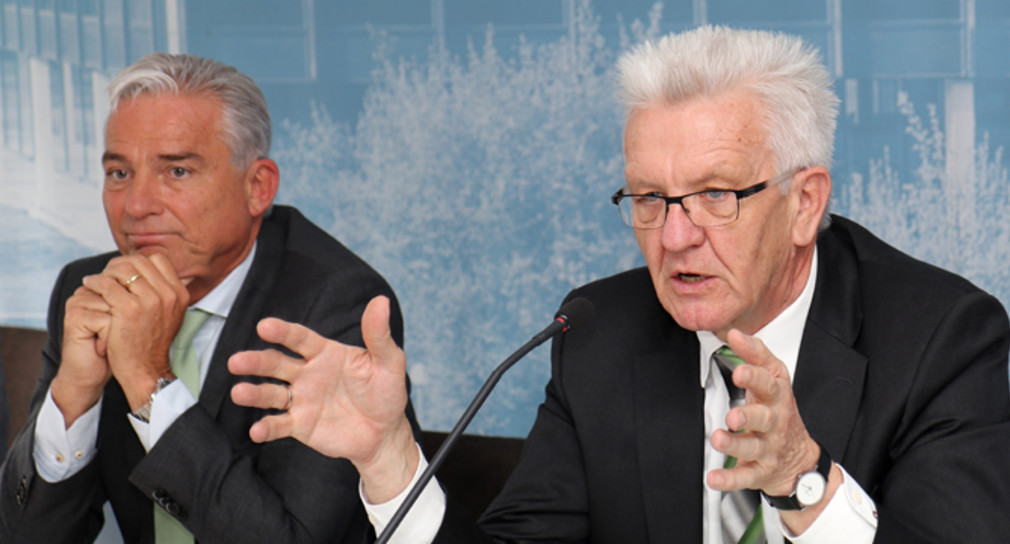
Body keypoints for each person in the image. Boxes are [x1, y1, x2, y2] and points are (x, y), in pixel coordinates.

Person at [227, 26, 1010, 543]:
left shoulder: (941, 337)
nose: (673, 238)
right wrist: (391, 459)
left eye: (715, 196)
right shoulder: (601, 330)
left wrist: (804, 480)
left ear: (805, 203)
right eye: (649, 199)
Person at [0, 52, 418, 543]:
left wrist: (149, 384)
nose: (136, 205)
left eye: (176, 172)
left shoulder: (334, 303)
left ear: (257, 186)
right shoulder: (92, 288)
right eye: (119, 173)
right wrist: (74, 397)